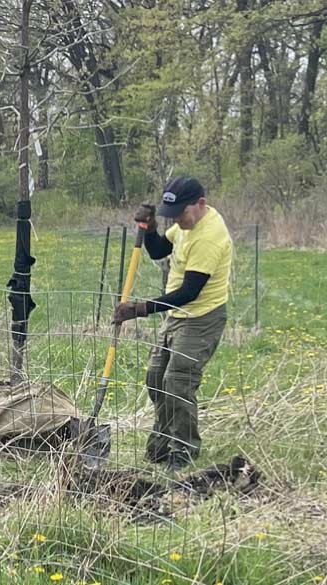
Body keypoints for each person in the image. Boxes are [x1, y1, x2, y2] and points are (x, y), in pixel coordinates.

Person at [112, 176, 232, 469]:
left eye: (181, 213)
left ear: (200, 204)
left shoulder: (209, 236)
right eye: (172, 215)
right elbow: (158, 251)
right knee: (156, 379)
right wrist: (150, 230)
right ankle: (161, 445)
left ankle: (184, 451)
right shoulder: (185, 223)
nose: (176, 220)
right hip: (176, 316)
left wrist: (139, 309)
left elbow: (189, 293)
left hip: (201, 317)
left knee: (177, 382)